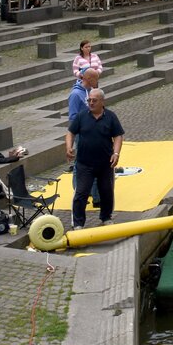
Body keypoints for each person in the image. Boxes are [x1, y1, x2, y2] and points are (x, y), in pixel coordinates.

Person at [65, 89, 123, 230]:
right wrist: (69, 147)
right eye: (89, 100)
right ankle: (78, 223)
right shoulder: (82, 116)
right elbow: (70, 132)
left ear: (102, 101)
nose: (91, 103)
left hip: (105, 163)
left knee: (106, 191)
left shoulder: (111, 117)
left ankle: (106, 217)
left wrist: (116, 153)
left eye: (94, 100)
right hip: (85, 163)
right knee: (81, 193)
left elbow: (118, 136)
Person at [67, 68, 101, 208]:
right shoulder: (76, 95)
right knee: (80, 164)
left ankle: (92, 193)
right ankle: (78, 192)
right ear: (89, 79)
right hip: (82, 134)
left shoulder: (89, 91)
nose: (97, 81)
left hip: (92, 132)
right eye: (96, 79)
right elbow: (73, 118)